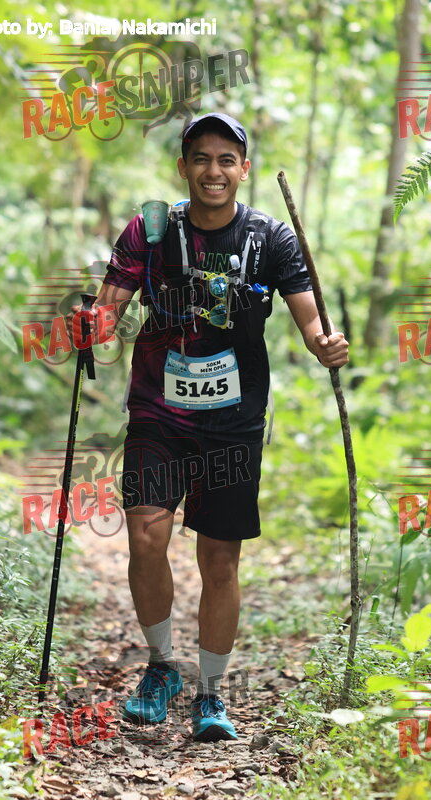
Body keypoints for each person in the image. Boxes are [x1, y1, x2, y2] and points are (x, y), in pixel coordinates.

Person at [69, 112, 349, 742]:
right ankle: (161, 667)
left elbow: (311, 322)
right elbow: (109, 307)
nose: (213, 171)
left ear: (243, 170)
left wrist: (326, 344)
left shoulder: (270, 238)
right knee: (145, 534)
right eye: (201, 158)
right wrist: (91, 325)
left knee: (219, 557)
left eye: (226, 159)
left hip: (234, 420)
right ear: (183, 167)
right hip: (158, 410)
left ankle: (211, 693)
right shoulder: (151, 230)